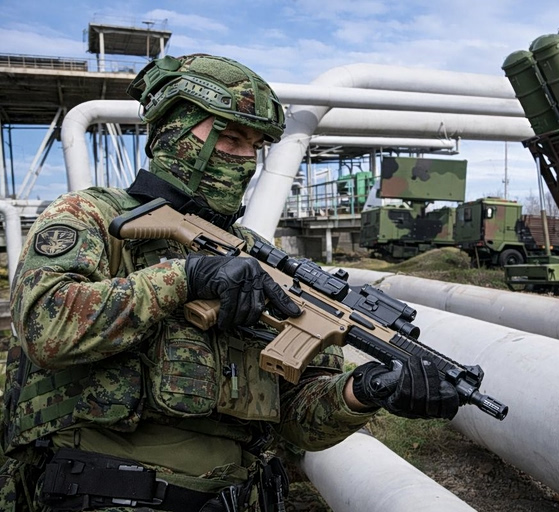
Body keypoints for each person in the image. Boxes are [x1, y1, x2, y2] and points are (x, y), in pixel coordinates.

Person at [0, 54, 458, 511]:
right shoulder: (93, 216)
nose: (245, 158)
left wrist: (365, 390)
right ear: (174, 132)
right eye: (230, 137)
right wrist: (185, 277)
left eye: (256, 145)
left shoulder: (264, 259)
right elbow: (47, 325)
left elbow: (298, 421)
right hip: (104, 493)